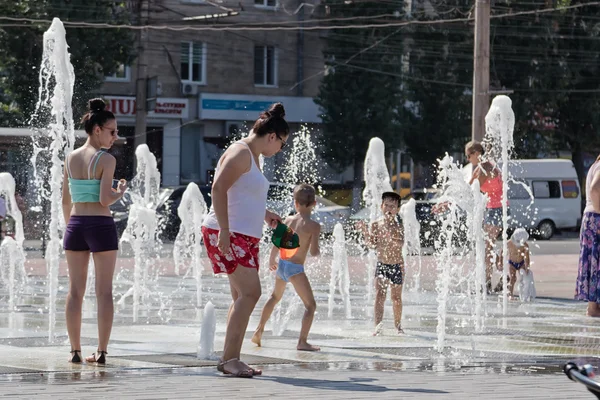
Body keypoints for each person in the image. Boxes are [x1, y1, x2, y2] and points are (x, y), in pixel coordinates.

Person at [201, 102, 288, 377]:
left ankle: (231, 358)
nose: (280, 150)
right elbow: (218, 188)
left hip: (243, 233)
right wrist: (225, 231)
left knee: (241, 295)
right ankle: (230, 359)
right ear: (272, 136)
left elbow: (241, 194)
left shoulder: (253, 155)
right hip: (227, 232)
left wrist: (265, 215)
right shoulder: (240, 152)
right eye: (282, 144)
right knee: (251, 293)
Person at [62, 98, 127, 364]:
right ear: (97, 129)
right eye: (112, 131)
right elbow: (104, 200)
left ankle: (75, 352)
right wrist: (119, 192)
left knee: (75, 291)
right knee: (104, 292)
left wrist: (71, 226)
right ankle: (101, 352)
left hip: (75, 225)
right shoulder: (106, 159)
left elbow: (65, 200)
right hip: (100, 225)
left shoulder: (70, 157)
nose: (116, 136)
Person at [251, 184, 321, 352]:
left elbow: (278, 242)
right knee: (310, 306)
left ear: (295, 203)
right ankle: (302, 342)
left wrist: (271, 259)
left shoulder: (289, 220)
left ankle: (259, 330)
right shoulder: (313, 226)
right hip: (296, 269)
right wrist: (316, 248)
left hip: (282, 265)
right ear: (314, 203)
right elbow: (313, 251)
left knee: (274, 297)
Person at [358, 192, 405, 335]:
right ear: (381, 206)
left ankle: (398, 326)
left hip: (397, 265)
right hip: (382, 264)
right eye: (386, 205)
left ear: (397, 209)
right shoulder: (375, 225)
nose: (389, 209)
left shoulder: (398, 226)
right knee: (380, 295)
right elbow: (372, 245)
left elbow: (401, 244)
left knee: (396, 298)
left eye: (393, 206)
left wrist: (391, 237)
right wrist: (365, 232)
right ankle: (377, 326)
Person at [465, 140, 506, 293]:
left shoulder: (486, 167)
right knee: (486, 247)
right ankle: (492, 280)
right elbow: (467, 188)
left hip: (498, 209)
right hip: (490, 208)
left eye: (469, 156)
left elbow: (469, 191)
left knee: (488, 247)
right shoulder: (480, 168)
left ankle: (489, 282)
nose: (468, 159)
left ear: (476, 153)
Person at [576, 155, 600, 317]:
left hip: (590, 217)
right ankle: (593, 308)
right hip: (596, 217)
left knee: (594, 261)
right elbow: (594, 188)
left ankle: (593, 308)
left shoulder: (594, 165)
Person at [496, 228, 531, 298]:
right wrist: (500, 262)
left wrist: (527, 266)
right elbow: (502, 252)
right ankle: (510, 294)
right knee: (513, 278)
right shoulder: (509, 243)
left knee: (524, 278)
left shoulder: (525, 245)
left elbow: (527, 257)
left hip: (521, 263)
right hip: (512, 263)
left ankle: (525, 294)